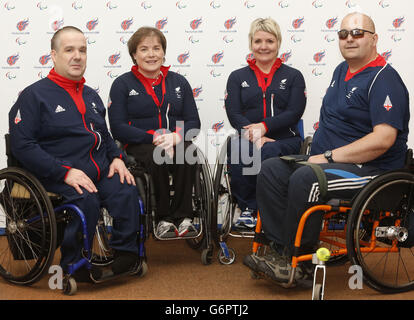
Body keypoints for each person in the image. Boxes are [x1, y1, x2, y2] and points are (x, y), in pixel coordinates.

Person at [243, 12, 410, 283]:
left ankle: (300, 263)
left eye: (357, 33)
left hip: (371, 169)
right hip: (328, 161)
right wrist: (319, 156)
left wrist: (328, 157)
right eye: (343, 34)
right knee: (272, 168)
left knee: (307, 177)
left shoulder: (384, 79)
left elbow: (383, 139)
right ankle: (277, 250)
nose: (349, 39)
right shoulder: (341, 70)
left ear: (374, 39)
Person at [8, 26, 141, 280]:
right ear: (54, 55)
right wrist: (64, 172)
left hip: (97, 168)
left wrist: (116, 158)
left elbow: (104, 135)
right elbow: (22, 145)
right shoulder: (34, 96)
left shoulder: (91, 96)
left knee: (125, 187)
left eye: (82, 50)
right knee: (85, 198)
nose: (77, 56)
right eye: (69, 50)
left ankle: (125, 255)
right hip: (55, 171)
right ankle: (75, 263)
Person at [108, 27, 201, 239]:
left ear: (163, 52)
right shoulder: (122, 84)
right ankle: (163, 219)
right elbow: (118, 127)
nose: (151, 54)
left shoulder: (179, 82)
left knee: (188, 152)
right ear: (134, 55)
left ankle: (184, 217)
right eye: (144, 49)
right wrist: (155, 138)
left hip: (174, 139)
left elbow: (194, 122)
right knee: (156, 156)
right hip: (141, 143)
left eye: (156, 48)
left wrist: (176, 136)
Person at [224, 18, 306, 229]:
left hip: (286, 140)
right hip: (248, 138)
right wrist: (255, 134)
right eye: (258, 41)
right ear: (251, 43)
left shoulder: (294, 76)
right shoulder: (236, 77)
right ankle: (249, 209)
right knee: (237, 147)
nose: (263, 46)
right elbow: (234, 114)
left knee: (269, 150)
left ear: (278, 43)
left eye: (269, 41)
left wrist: (264, 128)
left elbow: (294, 112)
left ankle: (267, 210)